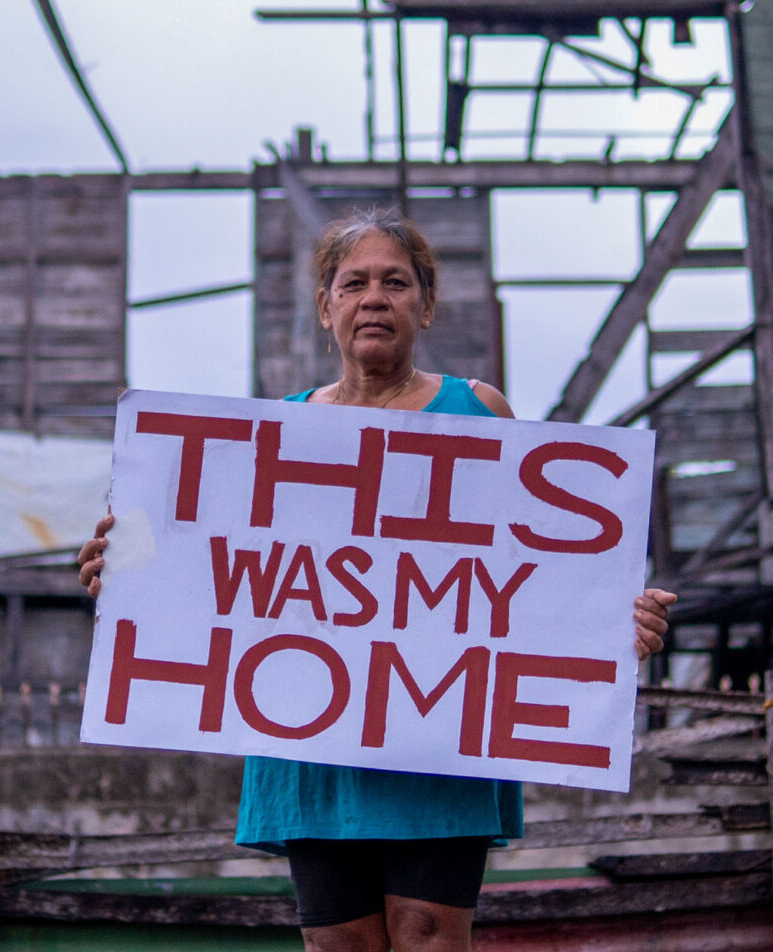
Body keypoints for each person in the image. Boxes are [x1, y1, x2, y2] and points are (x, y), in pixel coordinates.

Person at [79, 206, 677, 952]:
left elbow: (535, 575)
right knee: (340, 947)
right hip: (313, 735)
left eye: (395, 282)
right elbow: (222, 574)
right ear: (326, 307)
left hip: (438, 736)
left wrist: (613, 626)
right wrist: (128, 579)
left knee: (428, 937)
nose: (374, 298)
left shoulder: (477, 411)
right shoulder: (279, 431)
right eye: (353, 283)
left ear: (424, 305)